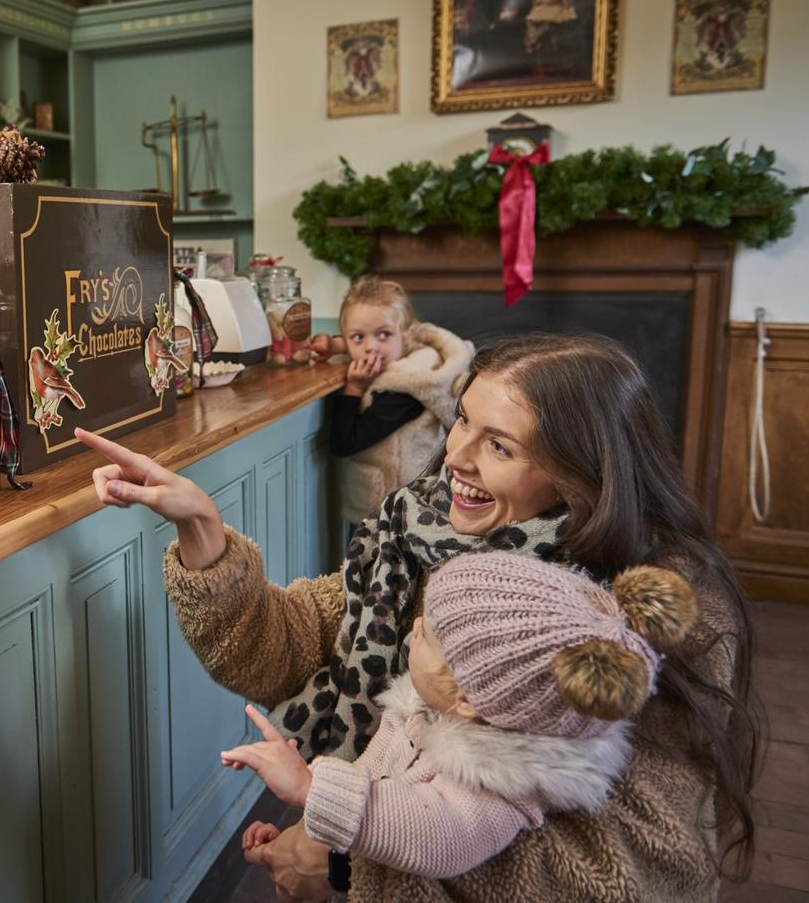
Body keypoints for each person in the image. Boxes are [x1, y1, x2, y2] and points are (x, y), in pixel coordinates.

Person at [78, 332, 759, 902]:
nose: (455, 455)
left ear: (581, 475)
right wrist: (204, 530)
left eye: (500, 444)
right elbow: (283, 647)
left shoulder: (658, 605)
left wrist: (350, 860)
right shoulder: (421, 531)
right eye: (463, 418)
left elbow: (637, 868)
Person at [222, 551, 698, 887]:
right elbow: (374, 776)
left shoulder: (493, 788)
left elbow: (434, 835)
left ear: (469, 698)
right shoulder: (428, 708)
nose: (414, 629)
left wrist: (309, 788)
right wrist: (311, 826)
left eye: (431, 635)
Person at [329, 275, 472, 525]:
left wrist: (353, 387)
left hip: (395, 514)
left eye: (383, 334)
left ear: (406, 336)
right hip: (410, 503)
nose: (370, 347)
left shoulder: (404, 389)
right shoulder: (423, 364)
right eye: (358, 337)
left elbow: (344, 442)